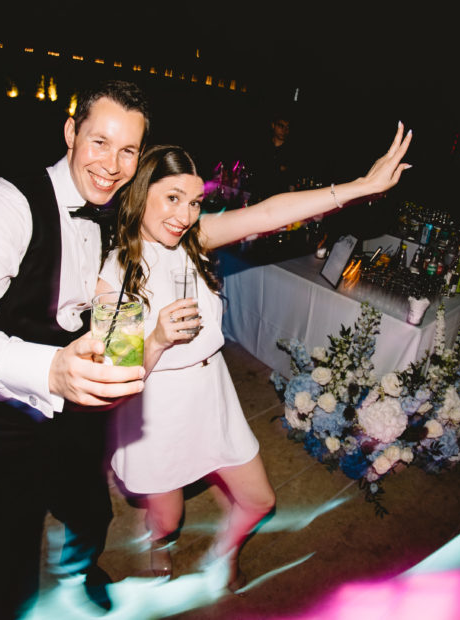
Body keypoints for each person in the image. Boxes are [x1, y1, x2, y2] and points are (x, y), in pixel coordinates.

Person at [97, 122, 413, 589]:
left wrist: (359, 188)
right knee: (168, 518)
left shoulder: (194, 238)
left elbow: (267, 213)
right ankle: (157, 542)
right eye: (172, 198)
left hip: (212, 397)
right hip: (156, 412)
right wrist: (158, 338)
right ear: (140, 193)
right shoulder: (116, 274)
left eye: (194, 202)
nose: (185, 215)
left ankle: (224, 550)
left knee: (260, 500)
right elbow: (117, 379)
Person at [0, 80, 150, 620]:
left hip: (72, 409)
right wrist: (48, 369)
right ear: (71, 132)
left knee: (91, 511)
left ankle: (81, 568)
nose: (112, 165)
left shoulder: (110, 205)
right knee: (8, 558)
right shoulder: (7, 205)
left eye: (128, 151)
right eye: (99, 142)